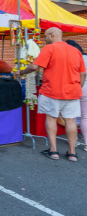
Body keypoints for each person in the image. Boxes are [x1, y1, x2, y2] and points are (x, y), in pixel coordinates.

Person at [20, 28, 86, 161]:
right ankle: (72, 153)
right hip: (72, 92)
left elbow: (34, 67)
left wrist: (20, 73)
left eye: (45, 37)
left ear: (52, 35)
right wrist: (78, 87)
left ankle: (53, 150)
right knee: (70, 120)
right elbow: (82, 73)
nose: (45, 40)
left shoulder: (50, 48)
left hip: (52, 91)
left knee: (51, 119)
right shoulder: (76, 51)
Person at [66, 40, 87, 152]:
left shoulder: (73, 58)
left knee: (71, 117)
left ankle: (73, 142)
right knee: (85, 117)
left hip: (76, 87)